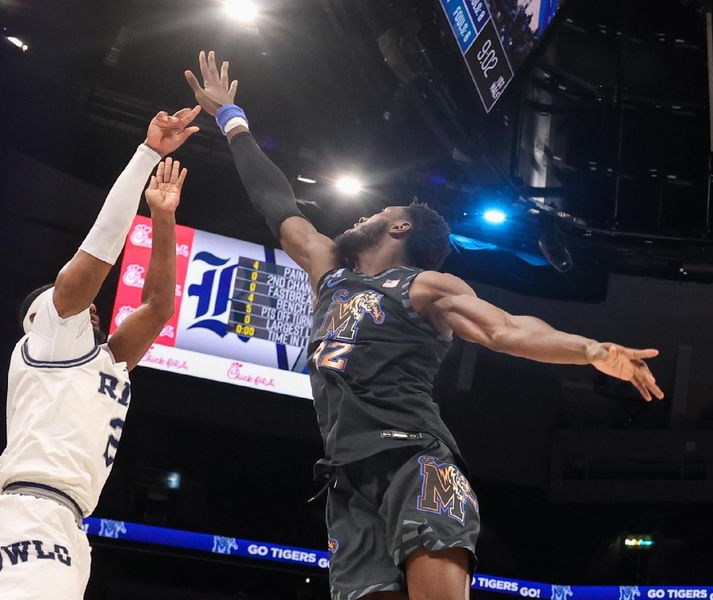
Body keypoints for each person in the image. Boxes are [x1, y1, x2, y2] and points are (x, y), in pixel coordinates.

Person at [187, 51, 664, 600]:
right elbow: (277, 205)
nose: (356, 218)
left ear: (400, 226)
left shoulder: (426, 288)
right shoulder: (330, 273)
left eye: (371, 214)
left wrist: (591, 349)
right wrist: (232, 120)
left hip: (415, 460)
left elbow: (505, 329)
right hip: (347, 481)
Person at [0, 106, 200, 600]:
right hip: (28, 512)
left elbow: (158, 307)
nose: (91, 310)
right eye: (73, 305)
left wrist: (163, 217)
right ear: (37, 319)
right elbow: (103, 245)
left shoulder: (107, 361)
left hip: (67, 523)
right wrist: (147, 155)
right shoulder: (47, 337)